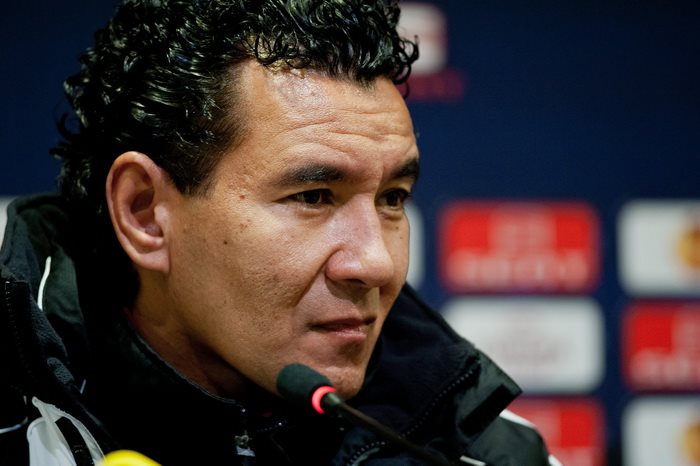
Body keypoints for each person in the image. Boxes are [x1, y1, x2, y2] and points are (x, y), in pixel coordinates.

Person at [0, 0, 558, 464]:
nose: (377, 264)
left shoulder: (484, 452)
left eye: (393, 198)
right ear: (144, 212)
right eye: (313, 196)